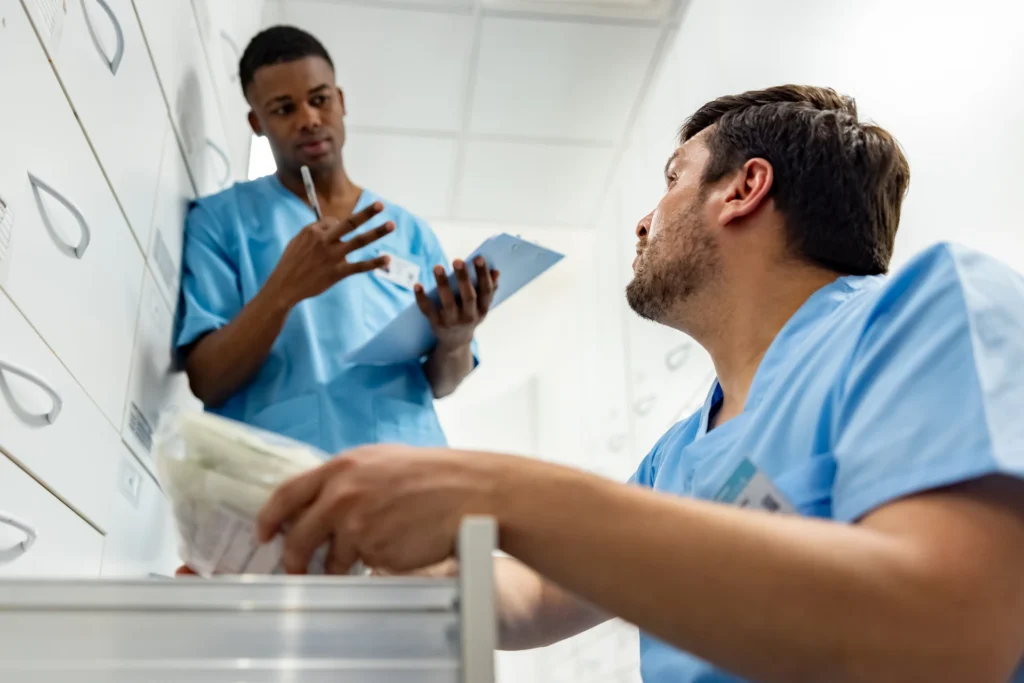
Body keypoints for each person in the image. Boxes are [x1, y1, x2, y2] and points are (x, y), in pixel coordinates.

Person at [255, 85, 1024, 683]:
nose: (644, 220)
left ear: (743, 188)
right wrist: (341, 548)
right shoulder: (676, 456)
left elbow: (948, 632)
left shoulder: (931, 312)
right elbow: (524, 597)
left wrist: (497, 488)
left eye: (672, 179)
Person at [174, 26, 497, 454]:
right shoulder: (220, 220)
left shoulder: (410, 231)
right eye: (284, 108)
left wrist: (456, 339)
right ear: (258, 123)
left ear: (340, 102)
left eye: (320, 99)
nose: (309, 119)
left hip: (404, 471)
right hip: (278, 473)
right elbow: (207, 381)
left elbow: (442, 383)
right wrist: (285, 289)